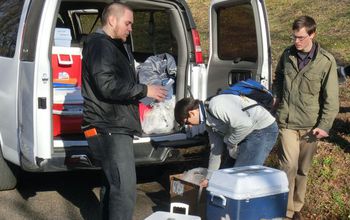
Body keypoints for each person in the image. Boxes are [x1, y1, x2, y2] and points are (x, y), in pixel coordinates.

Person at [81, 3, 167, 220]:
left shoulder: (114, 45)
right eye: (128, 23)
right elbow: (107, 85)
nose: (130, 28)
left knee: (114, 186)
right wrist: (145, 89)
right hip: (108, 127)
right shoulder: (101, 46)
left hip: (113, 125)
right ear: (112, 20)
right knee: (124, 190)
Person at [272, 15, 339, 220]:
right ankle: (286, 211)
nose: (296, 42)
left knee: (302, 170)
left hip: (311, 127)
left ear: (312, 34)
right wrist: (276, 97)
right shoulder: (287, 55)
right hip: (288, 123)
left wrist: (325, 125)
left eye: (301, 37)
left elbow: (332, 98)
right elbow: (279, 78)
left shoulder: (326, 61)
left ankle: (297, 208)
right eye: (294, 37)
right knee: (288, 167)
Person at [174, 95, 278, 187]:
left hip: (262, 129)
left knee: (240, 178)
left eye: (187, 122)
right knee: (224, 175)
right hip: (246, 133)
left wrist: (229, 142)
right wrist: (209, 178)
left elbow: (245, 124)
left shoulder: (215, 106)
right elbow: (216, 150)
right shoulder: (208, 122)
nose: (190, 126)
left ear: (191, 113)